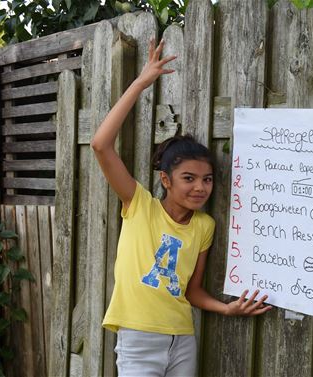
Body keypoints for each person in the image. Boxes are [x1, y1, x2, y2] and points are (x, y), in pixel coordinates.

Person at [90, 37, 272, 377]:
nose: (201, 187)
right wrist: (142, 82)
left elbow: (191, 291)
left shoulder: (204, 226)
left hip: (182, 339)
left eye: (207, 179)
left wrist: (226, 308)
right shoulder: (140, 204)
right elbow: (101, 145)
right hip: (138, 338)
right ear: (166, 180)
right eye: (189, 178)